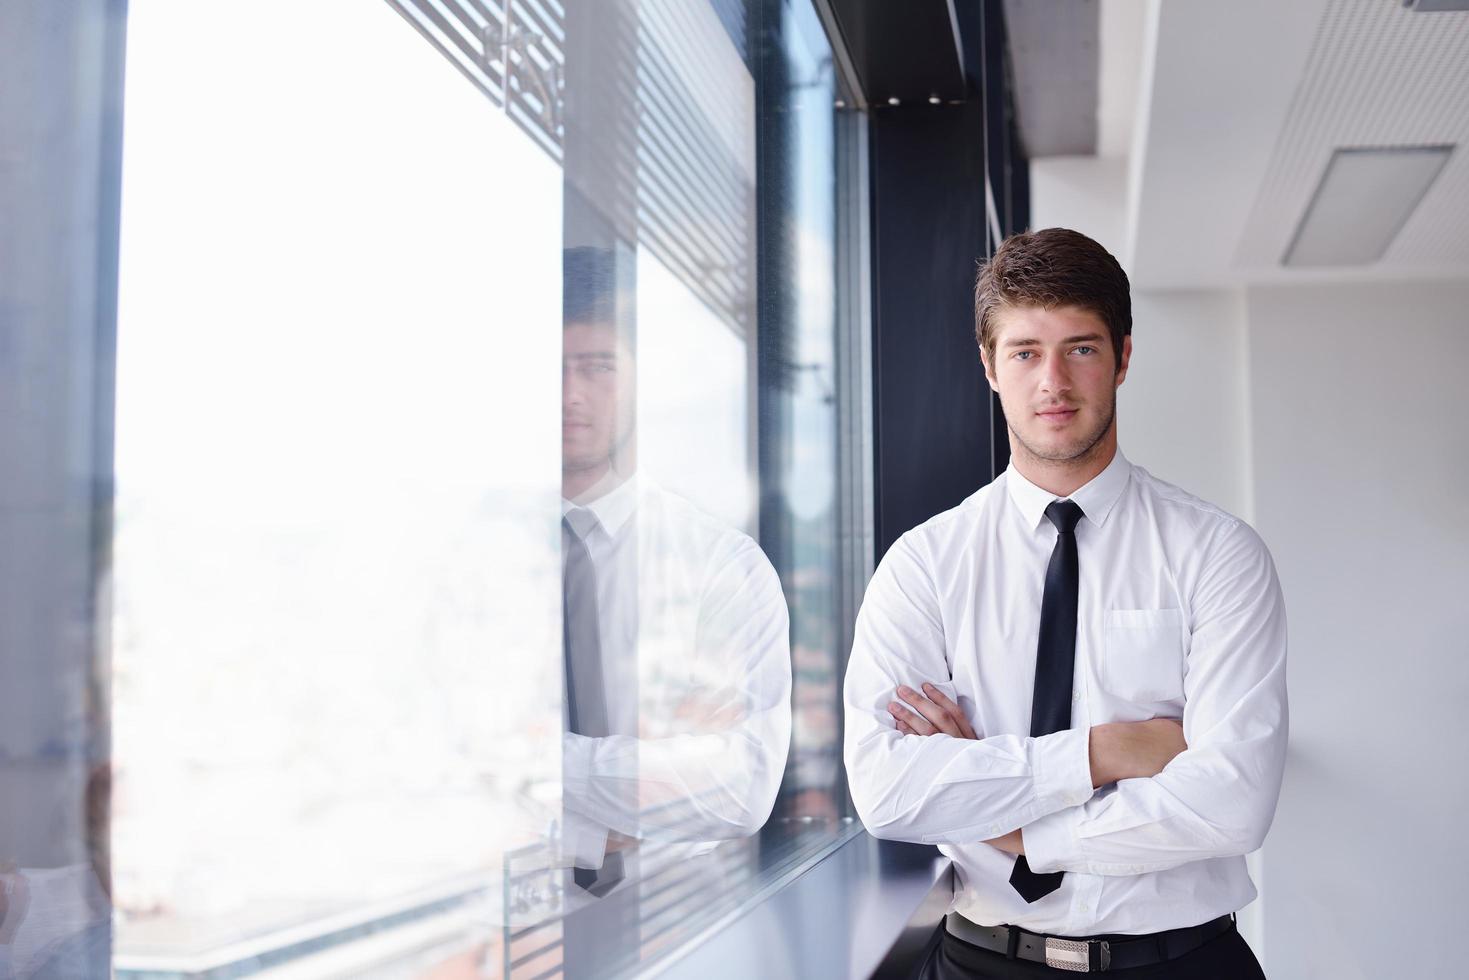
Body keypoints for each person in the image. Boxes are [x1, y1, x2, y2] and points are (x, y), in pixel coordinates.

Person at [843, 228, 1286, 978]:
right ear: (988, 365)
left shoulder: (1216, 553)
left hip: (1184, 962)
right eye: (1024, 352)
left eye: (1079, 348)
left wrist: (1014, 823)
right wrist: (1105, 751)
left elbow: (1231, 803)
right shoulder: (923, 565)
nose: (1052, 380)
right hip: (980, 962)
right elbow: (887, 793)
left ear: (1122, 358)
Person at [554, 245, 792, 907]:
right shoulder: (479, 564)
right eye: (551, 368)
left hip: (672, 933)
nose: (569, 393)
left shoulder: (721, 565)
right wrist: (646, 778)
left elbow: (737, 790)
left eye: (597, 367)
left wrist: (533, 767)